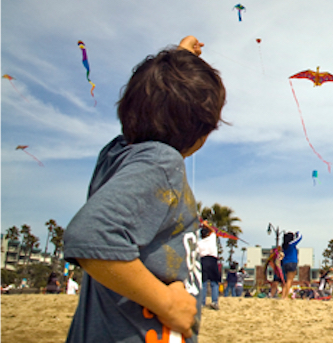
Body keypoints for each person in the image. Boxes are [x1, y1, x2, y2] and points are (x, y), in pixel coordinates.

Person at [63, 36, 226, 343]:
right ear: (201, 132)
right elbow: (89, 235)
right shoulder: (162, 163)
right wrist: (166, 303)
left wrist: (181, 61)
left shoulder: (116, 155)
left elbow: (152, 111)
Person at [197, 224, 220, 310]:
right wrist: (206, 224)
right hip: (212, 260)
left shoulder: (199, 243)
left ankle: (202, 302)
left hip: (203, 260)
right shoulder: (211, 238)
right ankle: (214, 301)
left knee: (203, 283)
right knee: (214, 282)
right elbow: (214, 231)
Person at [281, 231, 302, 299]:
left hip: (285, 263)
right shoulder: (291, 244)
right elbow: (300, 237)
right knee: (290, 280)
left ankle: (283, 295)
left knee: (286, 280)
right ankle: (286, 296)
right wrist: (298, 233)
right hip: (292, 262)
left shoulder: (284, 246)